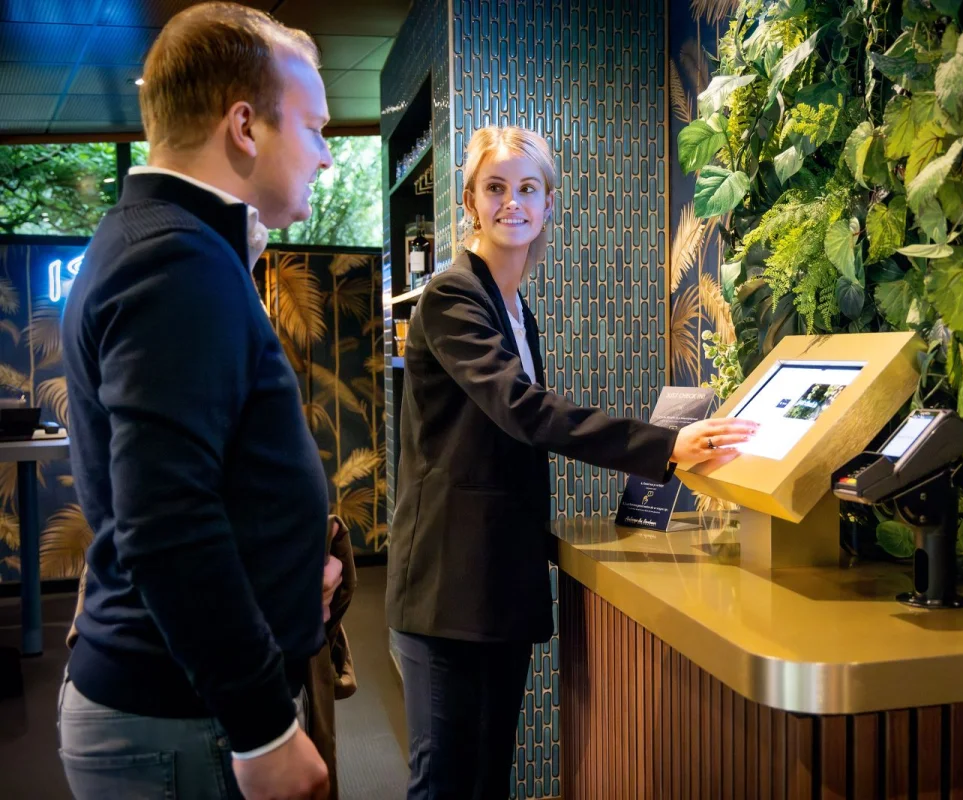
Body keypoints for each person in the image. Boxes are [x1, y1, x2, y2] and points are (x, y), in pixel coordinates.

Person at [386, 125, 758, 799]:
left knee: (487, 782)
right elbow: (523, 411)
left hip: (498, 580)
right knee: (446, 785)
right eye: (495, 188)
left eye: (528, 188)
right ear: (471, 200)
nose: (512, 204)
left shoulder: (517, 309)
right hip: (447, 586)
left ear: (550, 202)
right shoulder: (451, 296)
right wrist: (661, 446)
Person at [59, 4, 339, 799]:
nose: (325, 157)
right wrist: (265, 729)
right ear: (244, 126)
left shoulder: (167, 241)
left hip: (178, 711)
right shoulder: (178, 261)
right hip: (184, 720)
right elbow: (167, 521)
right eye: (315, 129)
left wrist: (281, 573)